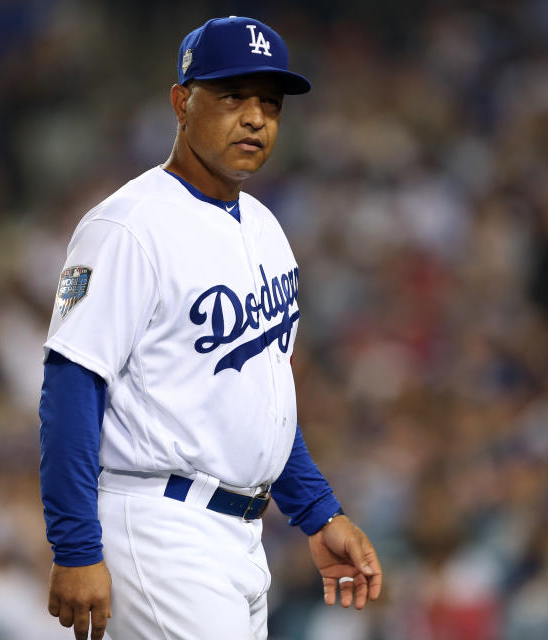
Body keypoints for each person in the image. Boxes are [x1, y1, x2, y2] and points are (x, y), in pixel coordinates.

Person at [38, 16, 383, 640]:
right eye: (232, 97)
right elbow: (69, 385)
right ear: (181, 102)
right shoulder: (128, 226)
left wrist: (318, 512)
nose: (255, 118)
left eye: (269, 104)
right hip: (160, 525)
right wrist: (75, 547)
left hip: (241, 537)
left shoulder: (266, 229)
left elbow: (261, 397)